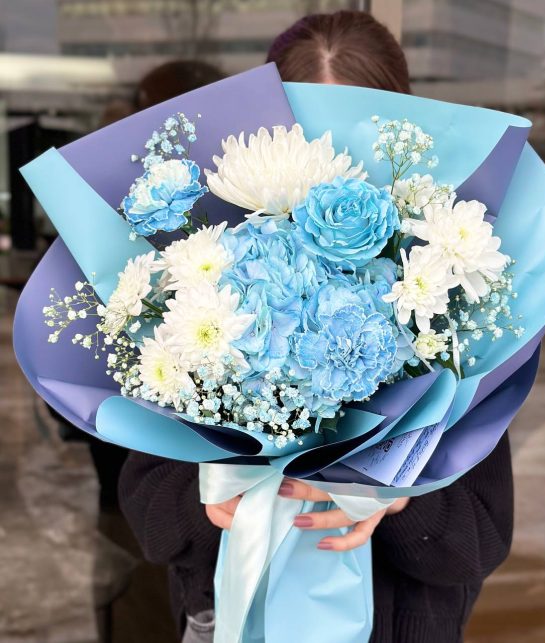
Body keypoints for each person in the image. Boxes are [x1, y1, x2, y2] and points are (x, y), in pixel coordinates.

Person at [119, 11, 514, 643]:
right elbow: (147, 513)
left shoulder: (451, 299)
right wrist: (210, 499)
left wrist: (400, 496)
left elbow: (479, 542)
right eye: (311, 135)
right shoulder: (204, 278)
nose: (333, 171)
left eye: (356, 140)